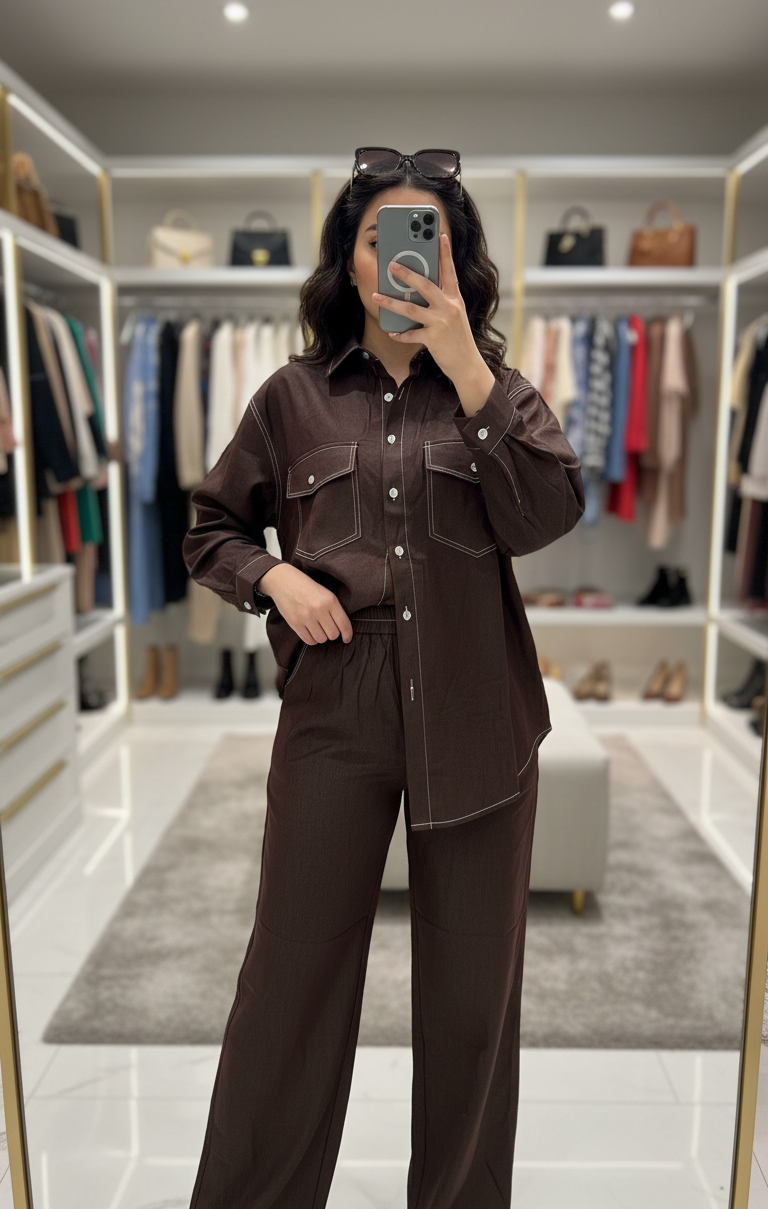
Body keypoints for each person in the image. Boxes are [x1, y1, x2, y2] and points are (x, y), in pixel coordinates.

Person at [182, 147, 584, 1209]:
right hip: (336, 706)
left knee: (472, 1000)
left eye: (428, 237)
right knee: (290, 979)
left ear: (455, 260)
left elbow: (547, 517)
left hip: (479, 707)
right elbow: (211, 527)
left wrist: (467, 368)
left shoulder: (498, 392)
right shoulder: (290, 398)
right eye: (382, 236)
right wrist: (274, 577)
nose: (403, 256)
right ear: (351, 261)